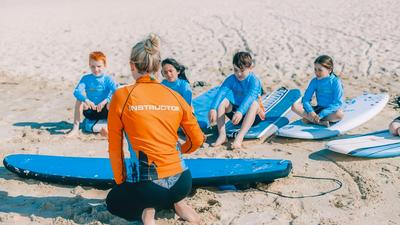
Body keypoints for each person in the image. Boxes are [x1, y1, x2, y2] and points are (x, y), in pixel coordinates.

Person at [106, 34, 204, 225]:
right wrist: (179, 151)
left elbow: (114, 147)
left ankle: (147, 211)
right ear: (158, 67)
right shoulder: (174, 95)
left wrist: (122, 183)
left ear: (132, 65)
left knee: (114, 201)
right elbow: (198, 139)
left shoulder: (122, 95)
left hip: (147, 186)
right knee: (167, 190)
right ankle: (178, 203)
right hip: (183, 182)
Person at [208, 51, 265, 150]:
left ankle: (239, 138)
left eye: (242, 70)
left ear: (250, 68)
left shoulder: (254, 81)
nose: (238, 73)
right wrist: (213, 108)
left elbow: (250, 97)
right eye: (235, 70)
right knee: (223, 102)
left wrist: (240, 111)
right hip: (236, 116)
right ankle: (222, 136)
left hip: (253, 116)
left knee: (254, 104)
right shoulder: (231, 79)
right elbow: (221, 92)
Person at [69, 51, 118, 136]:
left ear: (104, 65)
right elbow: (76, 91)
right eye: (93, 66)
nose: (96, 69)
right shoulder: (86, 78)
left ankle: (113, 127)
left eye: (99, 66)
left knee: (112, 101)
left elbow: (117, 91)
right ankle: (75, 129)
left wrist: (106, 101)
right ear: (89, 66)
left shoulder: (107, 79)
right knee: (79, 100)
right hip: (91, 110)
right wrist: (86, 100)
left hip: (105, 110)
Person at [291, 55, 344, 127]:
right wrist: (311, 112)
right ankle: (319, 121)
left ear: (329, 70)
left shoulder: (335, 82)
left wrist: (322, 114)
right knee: (295, 106)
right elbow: (306, 99)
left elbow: (338, 103)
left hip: (330, 111)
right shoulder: (314, 81)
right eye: (315, 69)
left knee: (339, 115)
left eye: (320, 70)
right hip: (318, 109)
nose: (317, 72)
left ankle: (310, 119)